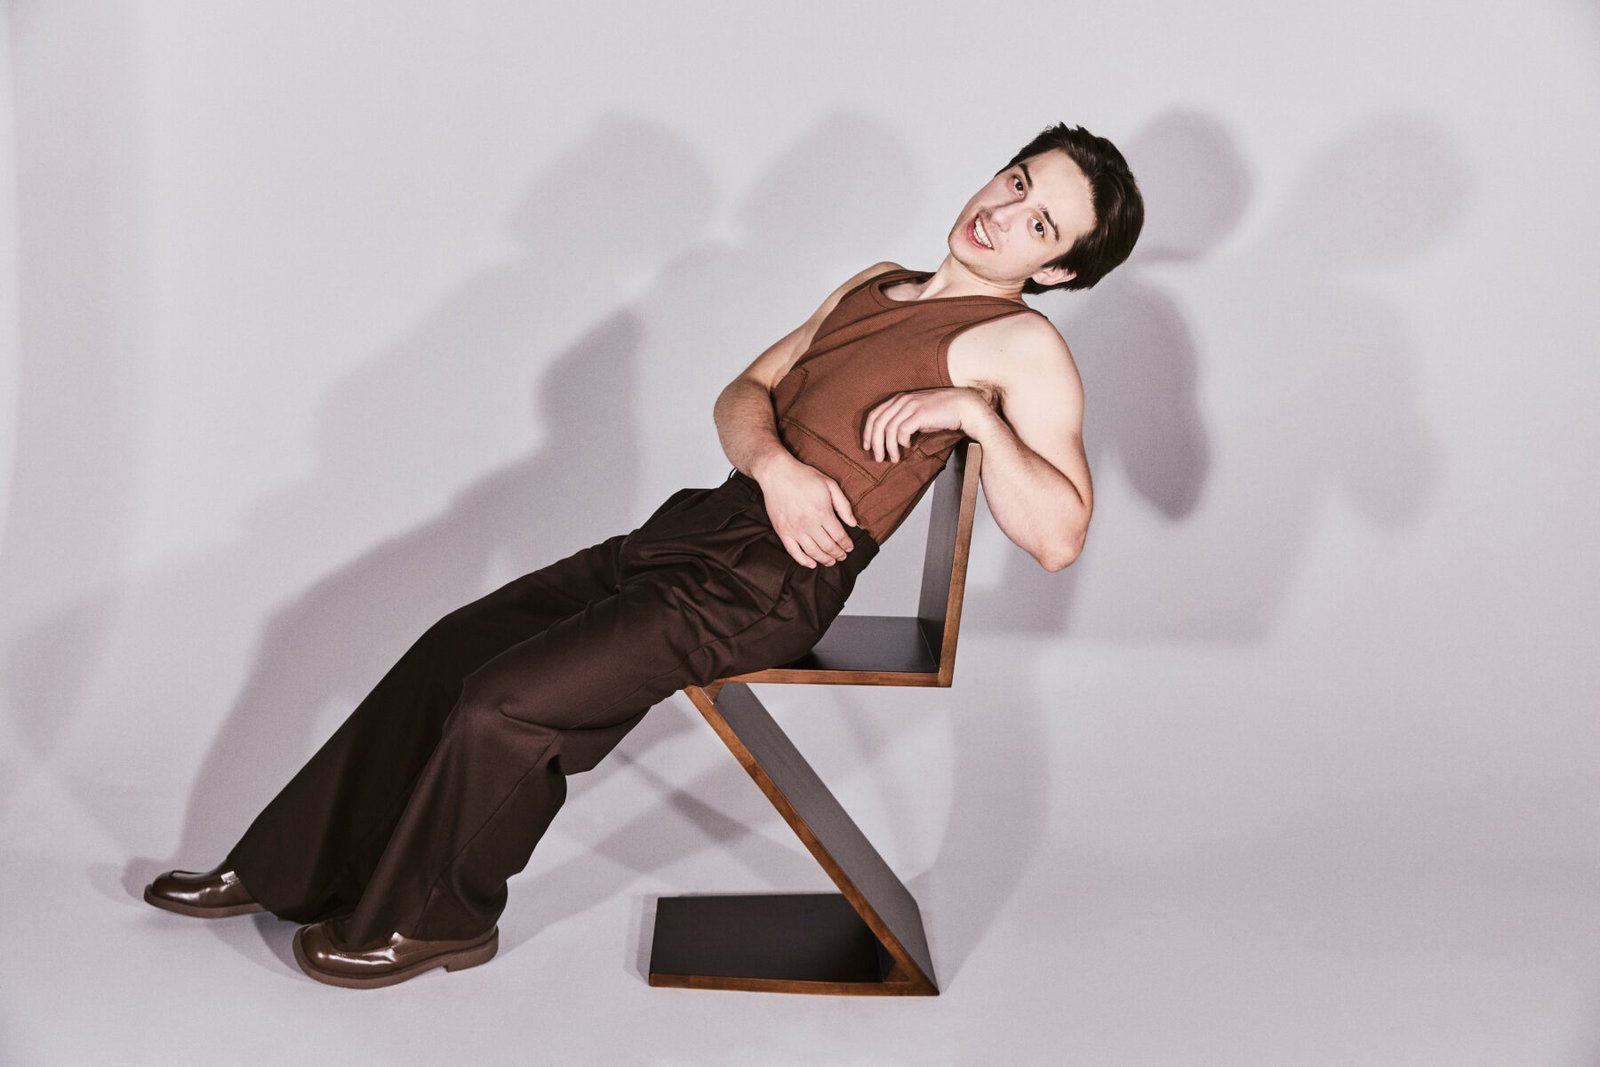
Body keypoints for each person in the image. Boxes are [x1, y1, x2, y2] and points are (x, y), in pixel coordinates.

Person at [145, 122, 1144, 989]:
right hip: (695, 530)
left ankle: (440, 917)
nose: (1002, 213)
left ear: (1055, 272)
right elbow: (742, 393)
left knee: (504, 702)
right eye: (1016, 180)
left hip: (769, 583)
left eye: (1040, 224)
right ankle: (287, 870)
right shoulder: (872, 283)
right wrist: (774, 465)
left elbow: (1058, 537)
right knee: (449, 648)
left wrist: (975, 413)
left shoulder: (1020, 346)